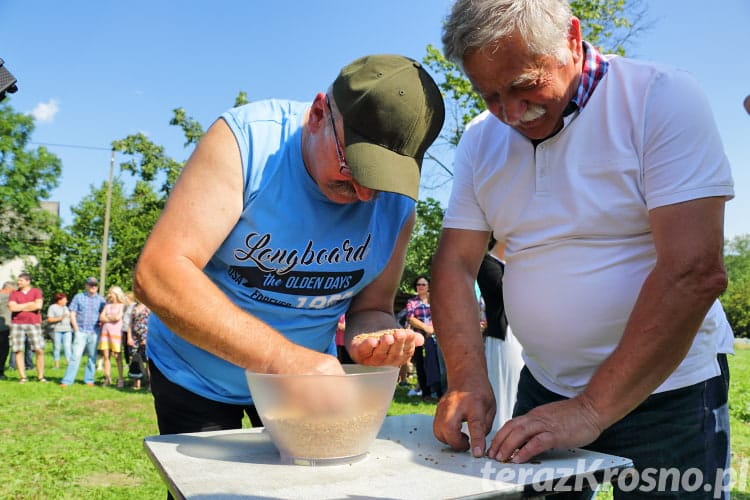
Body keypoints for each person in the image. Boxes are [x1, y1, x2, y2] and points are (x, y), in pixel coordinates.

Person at [431, 1, 734, 498]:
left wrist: (591, 409)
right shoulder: (479, 140)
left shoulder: (660, 97)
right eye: (489, 95)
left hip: (670, 395)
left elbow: (693, 270)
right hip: (545, 386)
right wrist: (465, 378)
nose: (510, 113)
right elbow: (454, 264)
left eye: (525, 86)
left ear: (572, 39)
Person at [133, 54, 445, 438]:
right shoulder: (247, 142)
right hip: (197, 376)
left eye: (381, 181)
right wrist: (282, 360)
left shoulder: (399, 204)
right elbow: (159, 273)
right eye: (354, 167)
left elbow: (373, 307)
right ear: (318, 115)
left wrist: (373, 340)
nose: (365, 193)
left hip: (302, 381)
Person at [476, 239, 523, 433]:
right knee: (504, 386)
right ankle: (499, 431)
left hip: (520, 336)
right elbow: (507, 293)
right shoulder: (487, 264)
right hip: (504, 337)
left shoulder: (508, 266)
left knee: (518, 385)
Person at [60, 277, 106, 387]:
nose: (93, 287)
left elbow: (103, 315)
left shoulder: (101, 300)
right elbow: (72, 313)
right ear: (86, 285)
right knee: (75, 356)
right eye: (90, 284)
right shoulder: (78, 297)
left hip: (94, 331)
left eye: (95, 285)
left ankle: (89, 379)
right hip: (80, 331)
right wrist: (75, 328)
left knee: (92, 357)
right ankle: (67, 381)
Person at [405, 276, 443, 401]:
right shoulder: (412, 302)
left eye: (423, 284)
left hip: (434, 336)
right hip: (418, 336)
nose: (420, 287)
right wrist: (426, 328)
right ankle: (425, 393)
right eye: (418, 284)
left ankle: (439, 391)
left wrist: (432, 329)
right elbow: (410, 318)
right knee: (420, 365)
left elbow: (440, 315)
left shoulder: (435, 301)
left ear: (428, 287)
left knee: (436, 363)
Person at [8, 272, 45, 383]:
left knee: (39, 350)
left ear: (28, 281)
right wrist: (29, 304)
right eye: (18, 280)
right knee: (18, 350)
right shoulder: (14, 293)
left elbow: (38, 305)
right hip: (17, 324)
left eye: (21, 280)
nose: (18, 282)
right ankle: (23, 377)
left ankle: (40, 376)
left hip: (33, 323)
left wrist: (19, 307)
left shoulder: (36, 291)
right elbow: (12, 308)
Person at [98, 286, 127, 387]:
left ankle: (120, 379)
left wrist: (108, 318)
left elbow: (118, 317)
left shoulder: (122, 305)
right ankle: (107, 378)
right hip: (105, 333)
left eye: (111, 293)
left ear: (117, 294)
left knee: (117, 357)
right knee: (106, 356)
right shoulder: (107, 305)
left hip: (116, 333)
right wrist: (110, 318)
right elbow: (101, 317)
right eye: (109, 293)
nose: (110, 295)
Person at [127, 299, 151, 390]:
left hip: (146, 336)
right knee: (135, 360)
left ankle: (150, 383)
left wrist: (147, 337)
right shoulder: (133, 307)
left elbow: (151, 323)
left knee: (148, 360)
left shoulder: (149, 307)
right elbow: (130, 323)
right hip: (134, 337)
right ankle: (136, 383)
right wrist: (129, 337)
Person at [46, 292, 73, 369]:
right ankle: (56, 365)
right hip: (57, 330)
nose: (66, 301)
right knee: (57, 347)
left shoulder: (66, 308)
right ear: (59, 300)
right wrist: (60, 318)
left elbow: (69, 318)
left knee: (67, 347)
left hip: (67, 330)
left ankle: (69, 364)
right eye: (65, 299)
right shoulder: (52, 307)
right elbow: (50, 319)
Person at [0, 281, 16, 380]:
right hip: (4, 328)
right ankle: (0, 372)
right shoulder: (8, 297)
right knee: (3, 351)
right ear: (10, 290)